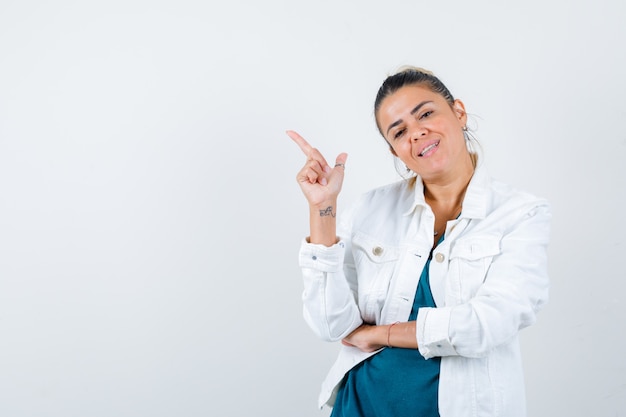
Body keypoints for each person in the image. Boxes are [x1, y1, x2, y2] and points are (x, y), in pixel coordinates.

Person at [286, 66, 550, 417]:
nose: (417, 133)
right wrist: (323, 209)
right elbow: (330, 325)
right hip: (360, 406)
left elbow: (489, 324)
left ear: (459, 112)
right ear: (396, 152)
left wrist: (381, 334)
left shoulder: (520, 214)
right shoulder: (370, 209)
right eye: (399, 132)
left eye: (425, 113)